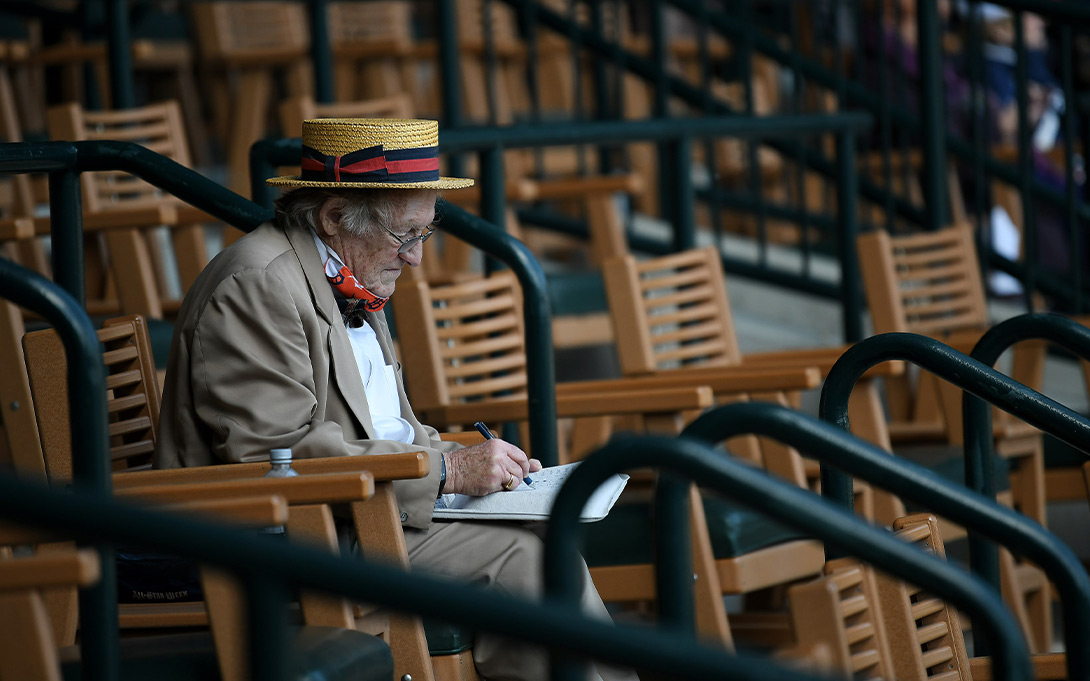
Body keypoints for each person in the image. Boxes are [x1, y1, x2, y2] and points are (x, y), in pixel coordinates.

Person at [154, 117, 637, 681]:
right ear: (334, 217)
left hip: (366, 511)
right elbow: (272, 458)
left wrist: (472, 461)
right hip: (292, 536)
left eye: (425, 234)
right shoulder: (257, 282)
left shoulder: (352, 275)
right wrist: (449, 471)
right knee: (524, 566)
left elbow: (384, 428)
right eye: (404, 235)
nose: (416, 258)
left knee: (543, 536)